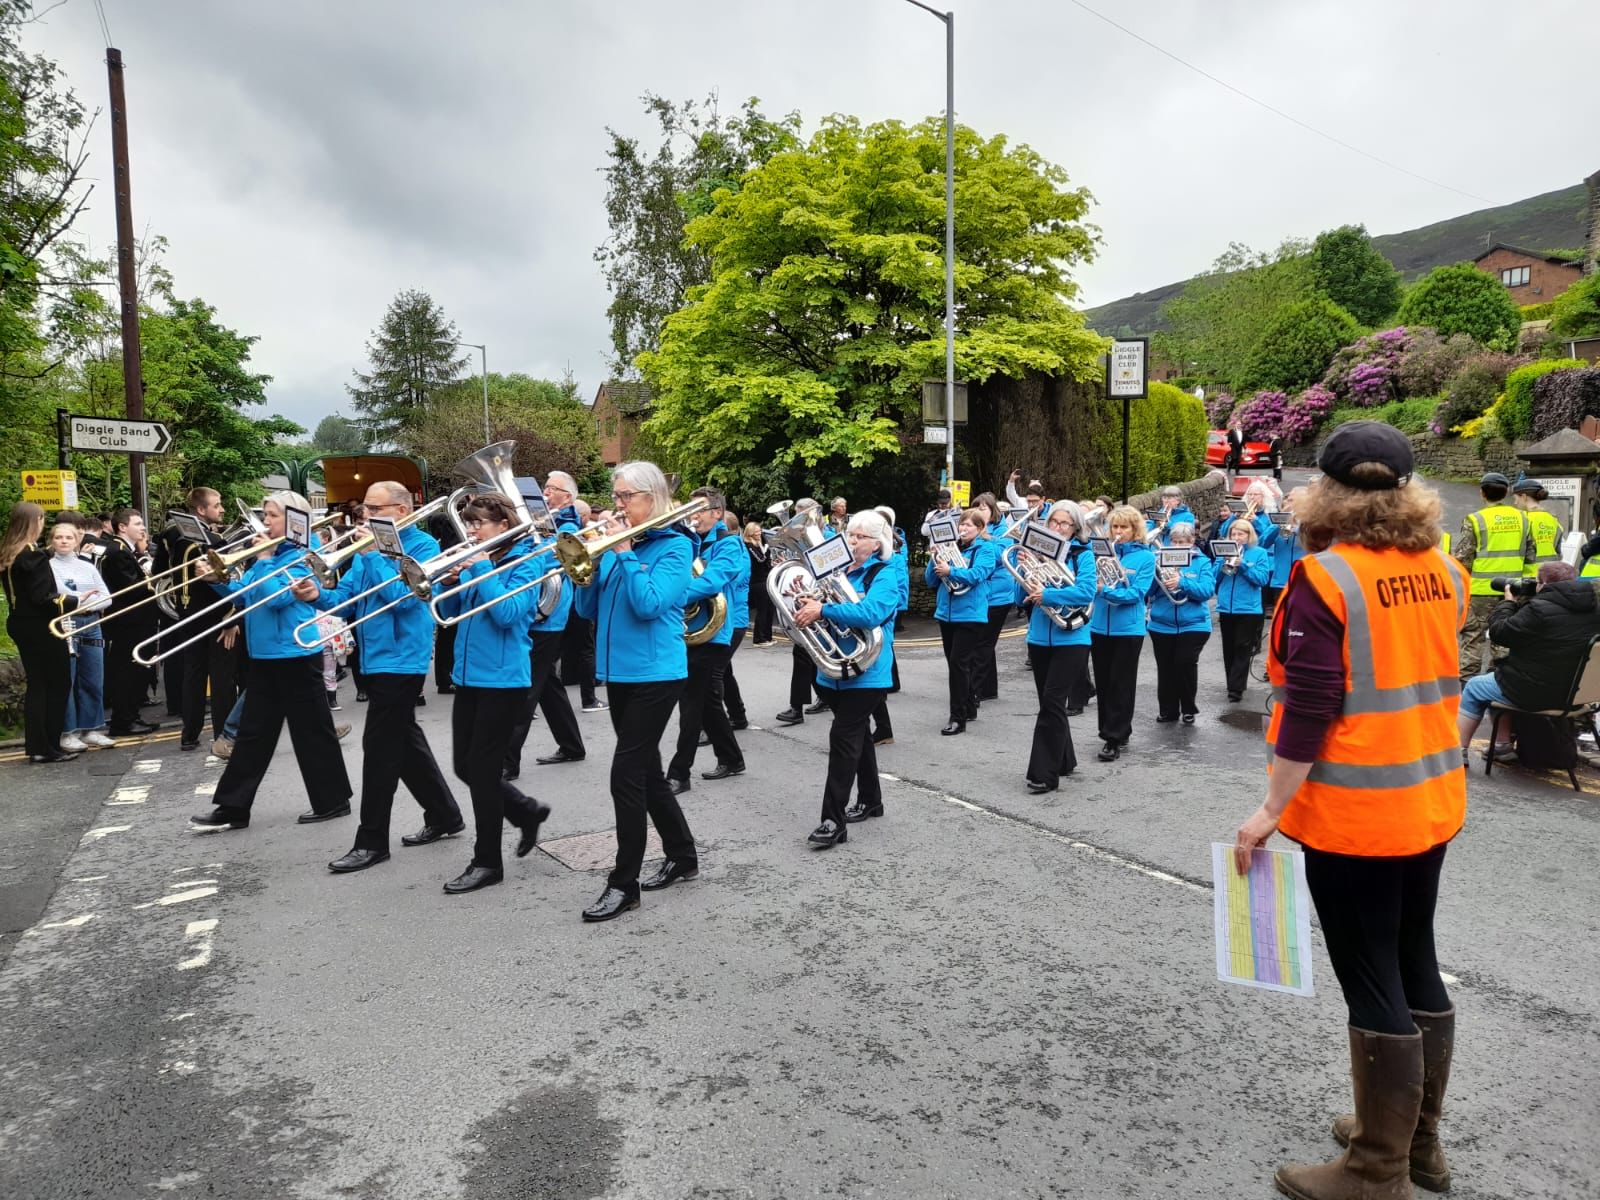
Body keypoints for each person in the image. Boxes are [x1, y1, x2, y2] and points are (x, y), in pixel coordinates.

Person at [1234, 420, 1468, 1200]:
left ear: (1328, 490)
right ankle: (1418, 1144)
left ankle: (1376, 1170)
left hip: (1356, 809)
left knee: (1369, 974)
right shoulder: (1444, 567)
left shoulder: (1325, 578)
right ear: (1408, 492)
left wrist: (1269, 809)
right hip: (1430, 797)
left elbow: (1309, 705)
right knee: (1413, 956)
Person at [571, 461, 699, 923]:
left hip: (657, 674)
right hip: (620, 674)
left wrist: (623, 552)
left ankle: (623, 884)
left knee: (624, 776)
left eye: (626, 497)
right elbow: (588, 609)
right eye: (617, 496)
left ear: (652, 498)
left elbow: (649, 605)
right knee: (645, 773)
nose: (618, 505)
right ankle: (683, 855)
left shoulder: (675, 547)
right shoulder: (619, 546)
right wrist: (584, 566)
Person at [320, 482, 465, 875]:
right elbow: (343, 599)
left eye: (371, 508)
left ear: (401, 510)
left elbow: (402, 599)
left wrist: (375, 555)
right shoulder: (367, 551)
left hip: (403, 659)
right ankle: (444, 814)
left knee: (380, 748)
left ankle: (371, 842)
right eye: (364, 508)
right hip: (376, 657)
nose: (362, 516)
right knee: (404, 741)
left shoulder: (423, 548)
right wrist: (310, 592)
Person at [189, 492, 353, 832]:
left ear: (294, 520)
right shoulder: (270, 555)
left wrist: (262, 560)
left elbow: (277, 599)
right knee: (252, 735)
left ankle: (332, 801)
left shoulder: (305, 555)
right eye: (265, 515)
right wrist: (217, 581)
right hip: (265, 654)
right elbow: (247, 596)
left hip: (295, 653)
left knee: (313, 733)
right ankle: (233, 806)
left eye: (272, 516)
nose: (265, 523)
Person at [424, 492, 552, 893]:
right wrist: (456, 578)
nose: (472, 530)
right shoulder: (486, 562)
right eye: (470, 522)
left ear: (503, 527)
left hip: (503, 681)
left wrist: (481, 571)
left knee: (481, 772)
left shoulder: (527, 562)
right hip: (470, 677)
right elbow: (452, 612)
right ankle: (525, 810)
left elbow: (509, 615)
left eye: (479, 523)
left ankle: (487, 862)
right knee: (465, 766)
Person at [792, 509, 899, 846]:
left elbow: (871, 613)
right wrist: (808, 599)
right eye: (850, 535)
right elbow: (825, 609)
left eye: (861, 537)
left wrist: (823, 609)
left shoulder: (885, 574)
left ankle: (832, 820)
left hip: (868, 673)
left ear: (878, 542)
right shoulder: (836, 572)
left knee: (843, 739)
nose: (853, 541)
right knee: (858, 738)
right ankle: (871, 800)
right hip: (834, 671)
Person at [1456, 561, 1600, 759]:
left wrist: (1508, 603)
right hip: (1575, 696)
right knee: (1497, 679)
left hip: (1534, 692)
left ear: (1544, 585)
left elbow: (1499, 633)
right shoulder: (1594, 609)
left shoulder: (1538, 610)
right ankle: (1501, 746)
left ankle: (1456, 752)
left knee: (1475, 686)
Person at [666, 488, 747, 793]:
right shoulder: (690, 542)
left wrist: (670, 596)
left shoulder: (729, 545)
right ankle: (732, 758)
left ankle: (679, 772)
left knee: (690, 702)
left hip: (713, 635)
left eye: (699, 510)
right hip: (691, 631)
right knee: (708, 701)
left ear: (717, 513)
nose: (693, 516)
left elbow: (712, 582)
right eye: (691, 510)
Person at [503, 505, 586, 781]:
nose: (546, 495)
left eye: (552, 490)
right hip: (540, 620)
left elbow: (550, 558)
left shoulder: (568, 530)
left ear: (566, 496)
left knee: (526, 689)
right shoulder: (540, 528)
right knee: (548, 685)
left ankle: (507, 761)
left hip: (547, 620)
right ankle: (572, 745)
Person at [1021, 502, 1097, 793]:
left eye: (1066, 524)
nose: (1059, 528)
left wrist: (1049, 593)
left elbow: (1086, 591)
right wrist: (1027, 577)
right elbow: (1021, 595)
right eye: (1054, 522)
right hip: (1039, 638)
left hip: (1072, 638)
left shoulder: (1083, 555)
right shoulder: (1036, 554)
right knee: (1048, 704)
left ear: (1076, 527)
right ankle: (1064, 760)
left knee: (1053, 703)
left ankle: (1043, 774)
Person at [2, 502, 79, 762]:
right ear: (36, 521)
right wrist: (74, 601)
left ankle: (37, 746)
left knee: (37, 684)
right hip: (41, 625)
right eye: (42, 520)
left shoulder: (10, 552)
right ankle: (49, 746)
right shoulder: (32, 554)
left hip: (20, 622)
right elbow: (42, 597)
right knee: (57, 683)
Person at [170, 487, 241, 751]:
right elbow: (227, 584)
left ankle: (189, 734)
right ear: (201, 510)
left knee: (194, 676)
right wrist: (231, 618)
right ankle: (224, 736)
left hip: (188, 617)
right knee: (223, 679)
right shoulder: (214, 542)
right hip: (217, 619)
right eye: (217, 504)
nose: (222, 509)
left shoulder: (177, 540)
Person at [1088, 506, 1155, 761]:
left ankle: (1113, 738)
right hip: (1099, 626)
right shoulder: (1101, 553)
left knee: (1121, 683)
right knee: (1104, 682)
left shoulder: (1146, 558)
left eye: (1123, 527)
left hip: (1128, 628)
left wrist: (1105, 590)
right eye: (1114, 527)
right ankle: (1111, 729)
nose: (1118, 532)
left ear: (1134, 529)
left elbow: (1137, 594)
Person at [1452, 471, 1532, 684]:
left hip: (1481, 590)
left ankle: (1466, 684)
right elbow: (1530, 554)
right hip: (1512, 590)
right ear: (1506, 492)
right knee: (1504, 636)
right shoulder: (1523, 518)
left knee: (1473, 636)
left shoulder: (1475, 520)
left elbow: (1462, 558)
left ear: (1482, 493)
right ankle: (1497, 679)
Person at [926, 508, 998, 736]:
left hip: (970, 614)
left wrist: (951, 570)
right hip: (946, 613)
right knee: (956, 664)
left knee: (958, 664)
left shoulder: (986, 549)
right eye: (962, 525)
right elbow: (931, 581)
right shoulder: (951, 547)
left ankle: (957, 718)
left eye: (969, 525)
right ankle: (968, 706)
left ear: (980, 528)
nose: (964, 529)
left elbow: (977, 575)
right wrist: (934, 558)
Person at [48, 520, 116, 752]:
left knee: (93, 678)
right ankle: (68, 732)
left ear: (77, 541)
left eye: (69, 538)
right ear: (52, 541)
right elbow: (57, 594)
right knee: (69, 679)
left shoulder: (87, 566)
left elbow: (107, 597)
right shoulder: (49, 567)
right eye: (59, 537)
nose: (64, 541)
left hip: (93, 623)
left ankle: (92, 729)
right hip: (67, 623)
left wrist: (82, 600)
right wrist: (83, 599)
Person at [1145, 522, 1215, 726]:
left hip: (1194, 624)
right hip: (1161, 623)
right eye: (1173, 541)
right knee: (1165, 668)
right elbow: (1147, 592)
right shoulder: (1159, 560)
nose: (1176, 546)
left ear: (1191, 542)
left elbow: (1206, 592)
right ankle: (1168, 710)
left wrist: (1182, 582)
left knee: (1184, 664)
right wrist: (1155, 576)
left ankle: (1188, 708)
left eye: (1182, 542)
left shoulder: (1202, 562)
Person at [99, 508, 161, 737]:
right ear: (122, 527)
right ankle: (124, 720)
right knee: (128, 671)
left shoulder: (123, 549)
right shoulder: (118, 552)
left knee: (135, 671)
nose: (143, 527)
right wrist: (153, 583)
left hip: (134, 620)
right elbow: (132, 588)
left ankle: (131, 716)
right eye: (138, 523)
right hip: (130, 621)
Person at [777, 499, 831, 725]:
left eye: (800, 517)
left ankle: (797, 708)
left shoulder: (825, 538)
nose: (795, 523)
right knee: (808, 656)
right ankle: (824, 697)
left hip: (819, 601)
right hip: (804, 597)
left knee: (806, 656)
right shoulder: (798, 539)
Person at [1214, 520, 1272, 703]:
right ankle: (1233, 681)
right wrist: (1222, 564)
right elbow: (1214, 578)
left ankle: (1236, 689)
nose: (1237, 538)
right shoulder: (1223, 552)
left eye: (1241, 534)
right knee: (1228, 647)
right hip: (1226, 607)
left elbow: (1262, 579)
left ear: (1249, 536)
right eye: (1234, 534)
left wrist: (1244, 565)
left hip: (1249, 608)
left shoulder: (1259, 553)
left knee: (1242, 646)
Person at [869, 504, 909, 743]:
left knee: (872, 678)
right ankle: (884, 729)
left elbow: (896, 584)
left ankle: (883, 729)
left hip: (882, 617)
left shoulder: (891, 555)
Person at [717, 507, 751, 732]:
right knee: (724, 671)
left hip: (735, 620)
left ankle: (712, 724)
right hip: (730, 618)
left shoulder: (736, 552)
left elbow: (727, 579)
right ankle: (738, 715)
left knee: (714, 674)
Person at [1259, 486, 1308, 618]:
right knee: (1281, 619)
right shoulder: (1279, 519)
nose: (1288, 503)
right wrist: (1277, 525)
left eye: (1292, 500)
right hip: (1281, 579)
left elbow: (1317, 544)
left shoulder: (1312, 522)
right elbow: (1263, 543)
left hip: (1304, 580)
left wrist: (1297, 530)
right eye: (1288, 500)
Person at [1510, 478, 1564, 577]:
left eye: (1515, 498)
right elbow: (1558, 551)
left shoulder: (1522, 520)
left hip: (1528, 578)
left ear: (1524, 496)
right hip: (1550, 577)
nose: (1515, 503)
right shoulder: (1553, 520)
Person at [744, 521, 775, 646]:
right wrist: (766, 549)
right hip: (757, 581)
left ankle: (768, 636)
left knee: (769, 609)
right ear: (750, 533)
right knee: (762, 610)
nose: (759, 533)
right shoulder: (749, 546)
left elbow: (766, 561)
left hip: (766, 579)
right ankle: (759, 638)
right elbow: (760, 559)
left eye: (760, 530)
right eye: (756, 531)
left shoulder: (761, 544)